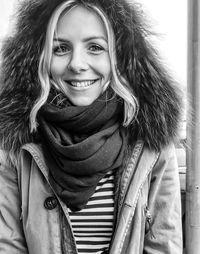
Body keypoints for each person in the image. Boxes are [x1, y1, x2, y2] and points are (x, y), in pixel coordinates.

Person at [0, 0, 183, 253]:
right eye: (61, 48)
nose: (77, 63)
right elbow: (7, 245)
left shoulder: (152, 143)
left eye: (95, 47)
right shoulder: (15, 146)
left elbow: (164, 243)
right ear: (41, 58)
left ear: (119, 57)